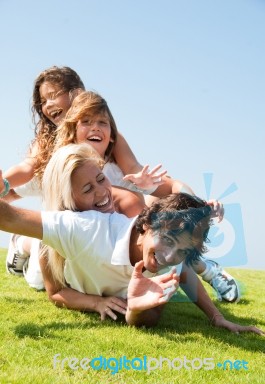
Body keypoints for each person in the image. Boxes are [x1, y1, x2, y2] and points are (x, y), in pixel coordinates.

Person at [1, 68, 239, 302]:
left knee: (158, 212)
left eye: (54, 95)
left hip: (113, 228)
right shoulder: (54, 152)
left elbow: (170, 185)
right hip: (74, 231)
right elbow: (24, 174)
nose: (49, 104)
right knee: (38, 277)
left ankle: (206, 268)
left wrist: (197, 207)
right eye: (43, 100)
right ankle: (21, 243)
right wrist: (5, 184)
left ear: (75, 94)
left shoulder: (110, 141)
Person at [0, 153, 263, 334]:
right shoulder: (86, 228)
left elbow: (182, 274)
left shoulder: (170, 258)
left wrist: (217, 318)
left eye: (181, 250)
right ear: (145, 224)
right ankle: (19, 247)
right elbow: (54, 291)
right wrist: (95, 303)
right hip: (53, 262)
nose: (169, 256)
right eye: (168, 240)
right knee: (35, 266)